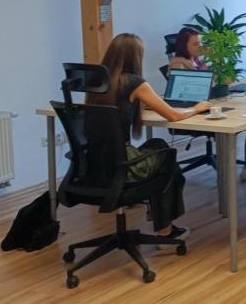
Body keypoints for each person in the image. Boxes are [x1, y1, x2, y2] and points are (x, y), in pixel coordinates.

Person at [87, 33, 207, 243]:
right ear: (135, 57)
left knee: (157, 144)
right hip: (122, 165)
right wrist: (197, 108)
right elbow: (173, 115)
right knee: (168, 159)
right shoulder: (134, 83)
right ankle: (165, 231)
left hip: (95, 164)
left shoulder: (97, 82)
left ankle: (160, 222)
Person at [169, 27, 246, 182]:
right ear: (184, 46)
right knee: (245, 116)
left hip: (209, 104)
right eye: (195, 44)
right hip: (195, 112)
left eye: (200, 43)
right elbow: (191, 91)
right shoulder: (178, 64)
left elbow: (220, 81)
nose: (200, 47)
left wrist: (217, 60)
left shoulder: (197, 61)